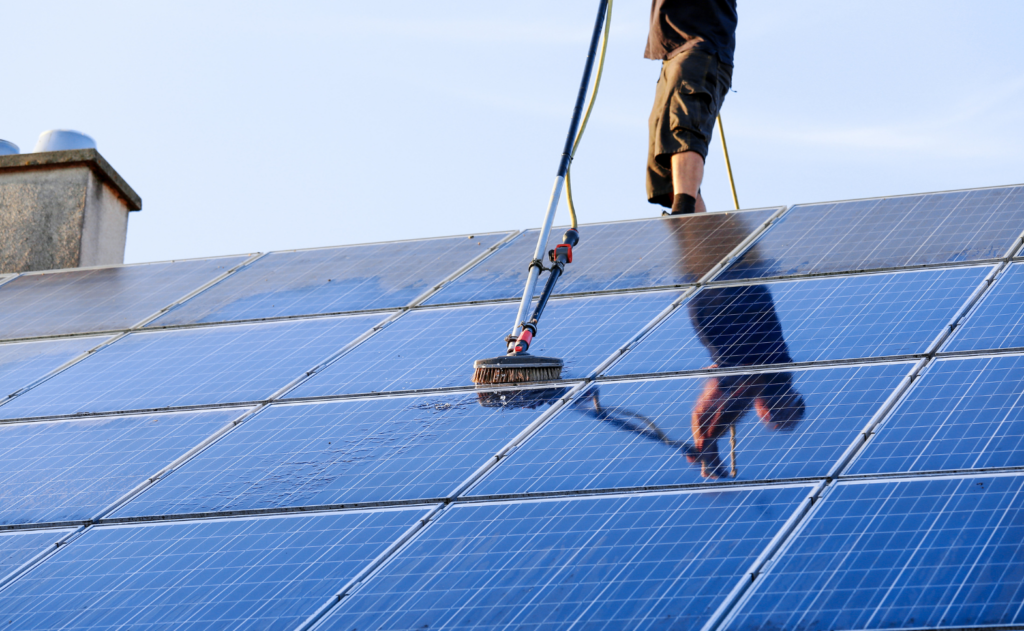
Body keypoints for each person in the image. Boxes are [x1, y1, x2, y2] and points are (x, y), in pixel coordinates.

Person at [646, 0, 737, 215]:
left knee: (683, 126)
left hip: (700, 47)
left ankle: (683, 211)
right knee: (663, 147)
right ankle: (696, 236)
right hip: (673, 54)